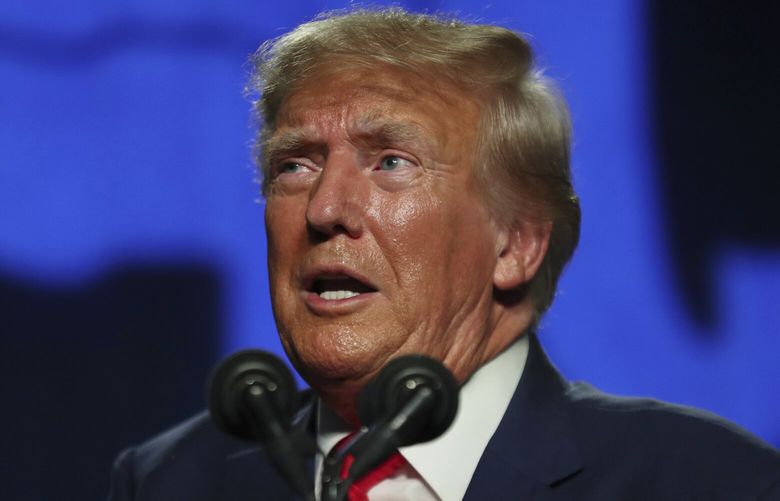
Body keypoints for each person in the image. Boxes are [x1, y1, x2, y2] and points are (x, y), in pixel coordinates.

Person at [108, 8, 780, 500]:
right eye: (296, 165)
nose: (324, 209)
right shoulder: (168, 481)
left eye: (391, 161)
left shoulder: (709, 482)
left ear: (516, 242)